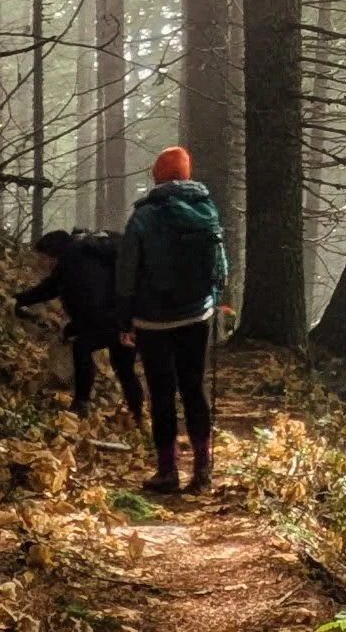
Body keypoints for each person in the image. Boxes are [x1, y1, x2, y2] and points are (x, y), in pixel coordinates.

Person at [116, 146, 228, 494]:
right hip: (197, 315)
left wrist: (124, 320)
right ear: (187, 174)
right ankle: (203, 469)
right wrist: (212, 301)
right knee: (194, 388)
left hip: (153, 321)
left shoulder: (143, 217)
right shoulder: (206, 208)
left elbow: (126, 274)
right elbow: (220, 269)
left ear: (157, 176)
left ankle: (166, 471)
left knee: (162, 393)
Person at [14, 229, 145, 424]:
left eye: (41, 257)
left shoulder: (75, 267)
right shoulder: (75, 260)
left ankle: (81, 404)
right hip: (129, 317)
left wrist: (73, 329)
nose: (39, 263)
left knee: (82, 346)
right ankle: (138, 415)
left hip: (113, 320)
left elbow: (92, 306)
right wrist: (20, 299)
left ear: (53, 256)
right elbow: (49, 289)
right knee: (124, 368)